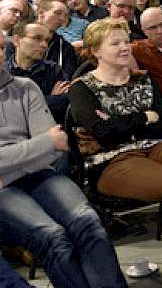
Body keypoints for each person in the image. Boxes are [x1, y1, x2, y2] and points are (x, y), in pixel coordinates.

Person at [69, 18, 162, 269]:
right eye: (115, 43)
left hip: (155, 149)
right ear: (96, 51)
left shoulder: (145, 79)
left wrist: (121, 122)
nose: (124, 47)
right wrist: (144, 117)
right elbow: (103, 134)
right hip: (112, 161)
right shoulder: (82, 88)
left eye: (126, 41)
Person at [0, 38, 127, 288]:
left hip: (38, 173)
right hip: (5, 189)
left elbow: (55, 147)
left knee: (89, 222)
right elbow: (47, 142)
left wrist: (18, 158)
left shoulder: (25, 88)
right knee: (52, 236)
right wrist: (42, 144)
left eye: (0, 48)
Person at [7, 22, 71, 123]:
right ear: (17, 40)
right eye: (37, 38)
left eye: (47, 40)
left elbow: (65, 103)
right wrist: (51, 99)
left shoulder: (54, 70)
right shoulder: (3, 72)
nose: (44, 45)